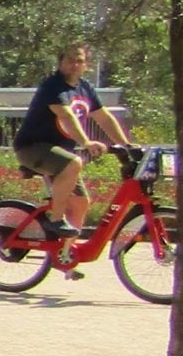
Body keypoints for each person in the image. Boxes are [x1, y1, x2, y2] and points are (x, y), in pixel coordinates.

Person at [13, 42, 133, 260]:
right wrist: (87, 142)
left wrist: (127, 145)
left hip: (60, 154)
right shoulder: (53, 86)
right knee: (74, 162)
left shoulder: (85, 87)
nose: (74, 65)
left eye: (79, 60)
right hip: (33, 148)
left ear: (86, 65)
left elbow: (103, 117)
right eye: (69, 60)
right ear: (60, 63)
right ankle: (56, 218)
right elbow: (66, 116)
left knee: (80, 202)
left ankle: (66, 255)